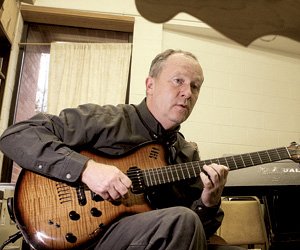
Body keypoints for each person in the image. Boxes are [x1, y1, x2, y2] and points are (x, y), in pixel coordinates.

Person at [0, 49, 245, 250]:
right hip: (84, 237)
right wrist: (86, 169)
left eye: (195, 86)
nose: (187, 93)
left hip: (142, 239)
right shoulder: (106, 120)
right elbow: (16, 135)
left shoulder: (187, 155)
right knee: (181, 220)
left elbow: (197, 235)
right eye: (178, 81)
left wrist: (208, 202)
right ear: (150, 84)